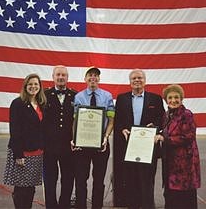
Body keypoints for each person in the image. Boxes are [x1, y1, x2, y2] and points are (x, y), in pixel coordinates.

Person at [114, 69, 165, 208]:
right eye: (134, 78)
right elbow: (117, 120)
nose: (137, 80)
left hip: (147, 145)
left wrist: (155, 126)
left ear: (145, 80)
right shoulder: (121, 98)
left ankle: (148, 204)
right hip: (128, 144)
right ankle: (133, 204)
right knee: (130, 177)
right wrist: (121, 129)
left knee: (147, 177)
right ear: (130, 82)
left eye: (140, 78)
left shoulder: (155, 98)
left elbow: (162, 119)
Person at [72, 66, 115, 209]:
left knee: (98, 180)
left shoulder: (107, 96)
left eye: (96, 75)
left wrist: (106, 137)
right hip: (82, 144)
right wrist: (74, 138)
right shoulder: (78, 97)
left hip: (101, 144)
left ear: (99, 79)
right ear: (85, 79)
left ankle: (97, 206)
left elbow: (111, 120)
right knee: (81, 179)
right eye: (90, 75)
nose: (93, 78)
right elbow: (75, 120)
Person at [3, 73, 47, 209]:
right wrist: (18, 154)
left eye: (36, 84)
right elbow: (14, 130)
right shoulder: (18, 103)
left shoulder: (41, 103)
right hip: (23, 152)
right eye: (30, 84)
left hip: (37, 152)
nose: (33, 87)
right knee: (21, 188)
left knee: (31, 187)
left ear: (40, 87)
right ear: (25, 86)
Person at [155, 84, 201, 209]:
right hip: (169, 163)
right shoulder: (166, 115)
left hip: (185, 163)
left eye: (176, 97)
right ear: (166, 100)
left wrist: (165, 139)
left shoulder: (186, 114)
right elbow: (164, 131)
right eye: (170, 98)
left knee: (185, 197)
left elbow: (188, 136)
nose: (173, 100)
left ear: (181, 99)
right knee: (171, 195)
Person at [43, 66, 77, 208]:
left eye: (63, 75)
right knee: (50, 178)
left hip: (68, 145)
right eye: (58, 75)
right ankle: (51, 205)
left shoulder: (75, 95)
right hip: (49, 145)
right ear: (53, 76)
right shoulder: (44, 95)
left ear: (67, 77)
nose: (61, 77)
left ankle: (64, 204)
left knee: (68, 177)